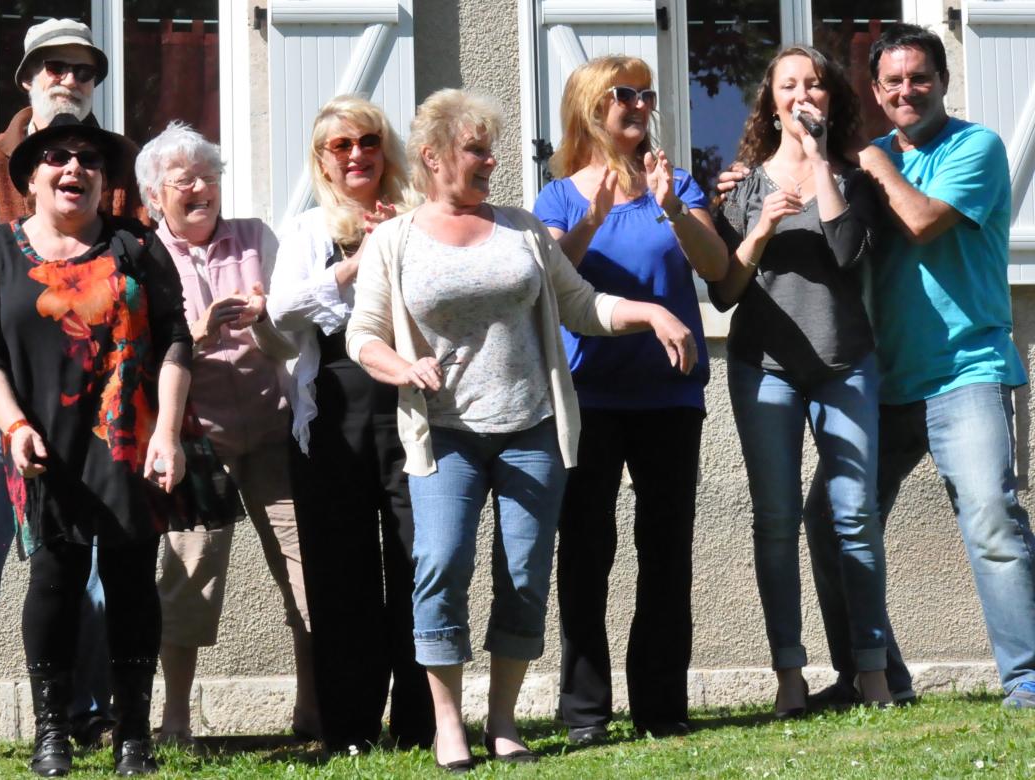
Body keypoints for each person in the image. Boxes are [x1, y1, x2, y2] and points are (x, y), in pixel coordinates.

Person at [347, 88, 697, 770]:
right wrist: (402, 366)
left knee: (526, 573)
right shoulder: (394, 239)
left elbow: (581, 304)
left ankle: (502, 720)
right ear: (433, 157)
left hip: (532, 427)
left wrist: (652, 314)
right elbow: (363, 333)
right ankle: (449, 722)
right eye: (475, 150)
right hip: (444, 432)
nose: (490, 161)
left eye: (490, 150)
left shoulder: (522, 230)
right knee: (441, 564)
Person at [0, 17, 141, 747]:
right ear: (27, 79)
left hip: (93, 396)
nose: (68, 80)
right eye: (54, 68)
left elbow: (142, 248)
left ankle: (88, 714)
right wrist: (5, 260)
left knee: (95, 553)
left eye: (83, 70)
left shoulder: (112, 160)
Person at [796, 23, 1035, 710]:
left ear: (943, 82)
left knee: (991, 519)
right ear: (876, 91)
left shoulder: (975, 147)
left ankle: (1026, 679)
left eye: (919, 77)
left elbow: (923, 221)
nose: (907, 90)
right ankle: (873, 676)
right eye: (893, 81)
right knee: (830, 517)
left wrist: (873, 162)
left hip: (967, 369)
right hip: (884, 380)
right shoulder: (865, 161)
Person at [0, 113, 191, 776]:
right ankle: (52, 732)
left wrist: (168, 433)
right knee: (55, 577)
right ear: (31, 179)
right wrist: (13, 426)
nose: (74, 168)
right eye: (57, 157)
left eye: (88, 159)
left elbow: (176, 339)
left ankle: (133, 736)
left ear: (103, 179)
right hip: (41, 438)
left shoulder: (136, 245)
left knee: (131, 581)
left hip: (129, 437)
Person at [533, 55, 728, 743]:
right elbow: (549, 281)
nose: (641, 106)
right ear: (592, 106)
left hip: (669, 396)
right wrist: (591, 219)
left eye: (647, 95)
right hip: (587, 396)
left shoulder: (676, 184)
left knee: (666, 551)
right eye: (626, 95)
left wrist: (673, 207)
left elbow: (716, 268)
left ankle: (661, 706)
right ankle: (585, 712)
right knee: (585, 551)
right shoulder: (558, 197)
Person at [710, 45, 891, 715]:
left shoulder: (856, 178)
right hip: (767, 369)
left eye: (814, 84)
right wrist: (760, 223)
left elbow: (845, 253)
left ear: (830, 98)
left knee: (855, 517)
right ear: (771, 102)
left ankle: (871, 670)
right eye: (789, 86)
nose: (803, 95)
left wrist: (819, 161)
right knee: (777, 520)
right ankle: (789, 673)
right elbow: (723, 292)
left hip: (846, 364)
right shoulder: (742, 187)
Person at [134, 121, 319, 744]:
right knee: (190, 580)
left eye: (208, 177)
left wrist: (265, 319)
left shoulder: (255, 238)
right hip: (196, 439)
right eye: (184, 180)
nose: (200, 189)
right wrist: (201, 332)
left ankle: (313, 710)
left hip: (270, 428)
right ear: (155, 195)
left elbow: (289, 338)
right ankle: (176, 721)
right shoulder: (142, 254)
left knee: (305, 573)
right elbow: (144, 353)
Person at [267, 95, 434, 752]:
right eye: (342, 145)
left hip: (414, 409)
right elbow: (283, 311)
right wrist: (358, 261)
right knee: (341, 572)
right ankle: (350, 726)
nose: (358, 154)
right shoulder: (309, 229)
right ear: (323, 159)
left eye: (369, 141)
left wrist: (402, 244)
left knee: (419, 560)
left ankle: (421, 722)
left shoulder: (421, 217)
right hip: (333, 411)